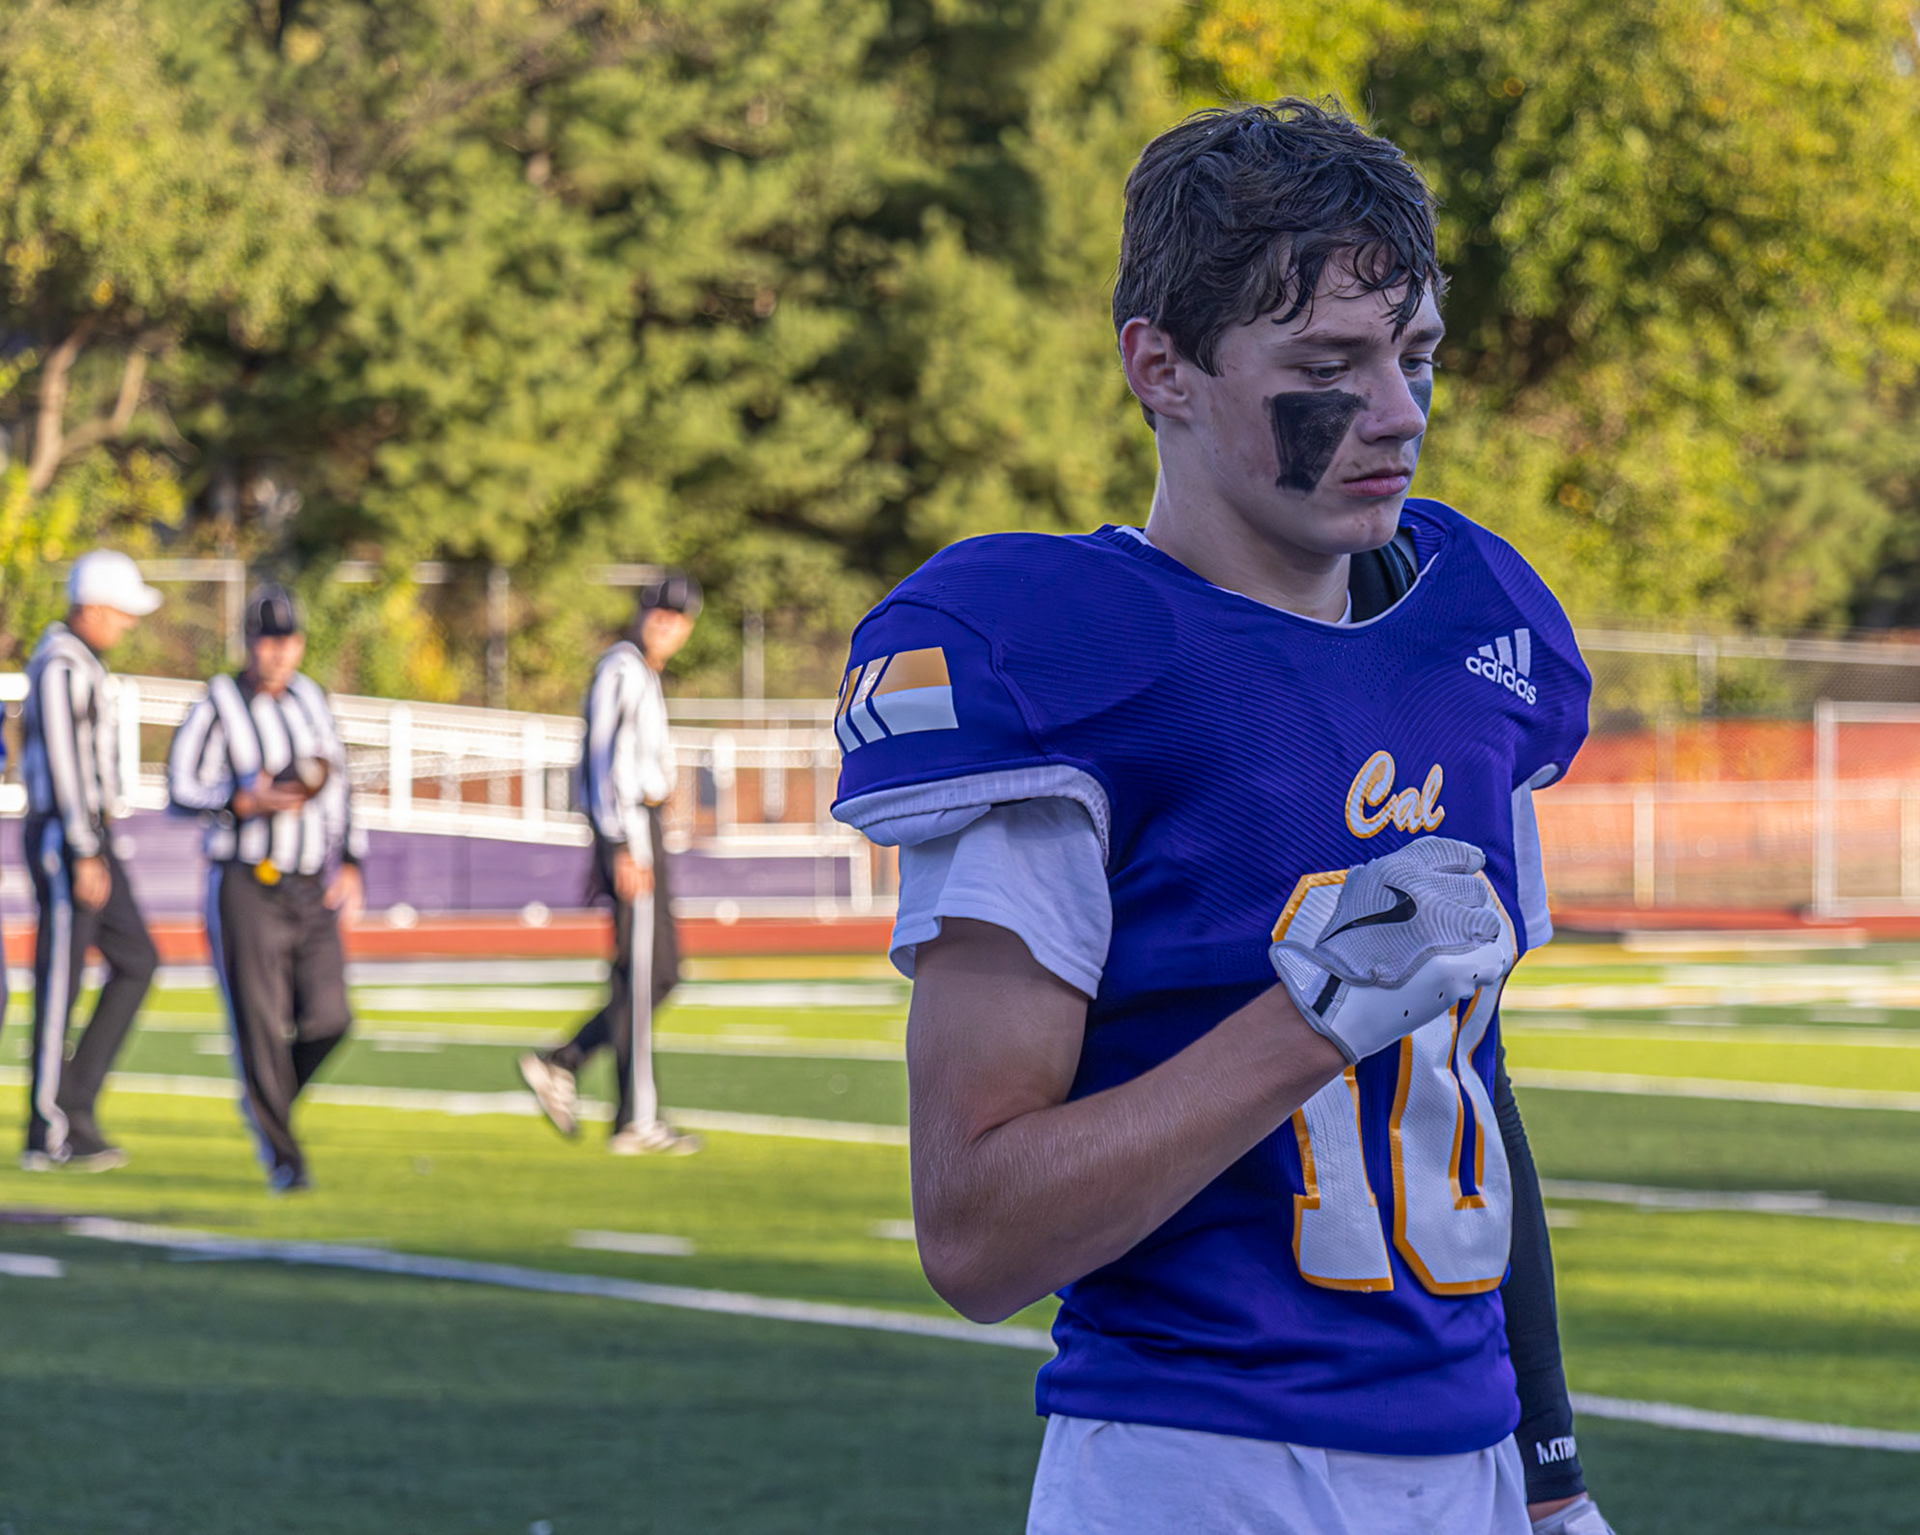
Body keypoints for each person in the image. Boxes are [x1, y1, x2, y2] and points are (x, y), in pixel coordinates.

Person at [831, 102, 1615, 1535]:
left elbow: (1467, 1085)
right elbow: (978, 1233)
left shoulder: (1474, 638)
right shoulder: (1067, 662)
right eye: (1327, 365)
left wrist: (1552, 1476)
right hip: (1196, 1468)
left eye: (1415, 353)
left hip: (1473, 1471)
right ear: (1163, 367)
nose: (1398, 410)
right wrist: (1307, 1018)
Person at [166, 583, 364, 1192]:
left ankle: (267, 1104)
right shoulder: (219, 702)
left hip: (307, 883)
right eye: (266, 641)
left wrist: (351, 860)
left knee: (330, 1016)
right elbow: (179, 788)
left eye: (287, 641)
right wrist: (238, 800)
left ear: (300, 644)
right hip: (247, 883)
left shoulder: (312, 700)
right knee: (260, 1024)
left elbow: (340, 784)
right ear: (249, 644)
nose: (277, 653)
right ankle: (285, 1159)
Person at [519, 571, 702, 1156]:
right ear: (642, 613)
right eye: (659, 612)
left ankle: (569, 1063)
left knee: (653, 972)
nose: (666, 624)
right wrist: (619, 843)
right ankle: (632, 1115)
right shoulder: (621, 669)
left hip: (643, 824)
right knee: (646, 971)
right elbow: (600, 761)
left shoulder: (643, 674)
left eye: (677, 617)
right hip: (629, 827)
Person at [19, 550, 162, 1170]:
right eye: (122, 611)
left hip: (89, 835)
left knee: (137, 959)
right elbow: (64, 764)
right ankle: (49, 1128)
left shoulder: (82, 663)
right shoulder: (60, 664)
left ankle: (74, 1103)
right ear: (95, 607)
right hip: (65, 837)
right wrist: (83, 848)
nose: (129, 623)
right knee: (62, 981)